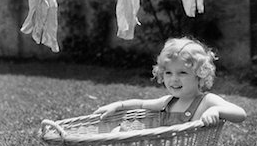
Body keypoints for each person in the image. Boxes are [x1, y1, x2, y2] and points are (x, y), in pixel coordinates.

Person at [93, 37, 246, 127]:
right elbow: (140, 104)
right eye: (168, 73)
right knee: (122, 130)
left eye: (182, 72)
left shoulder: (206, 101)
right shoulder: (168, 102)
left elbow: (240, 114)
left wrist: (216, 111)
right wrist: (118, 105)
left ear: (200, 74)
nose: (174, 79)